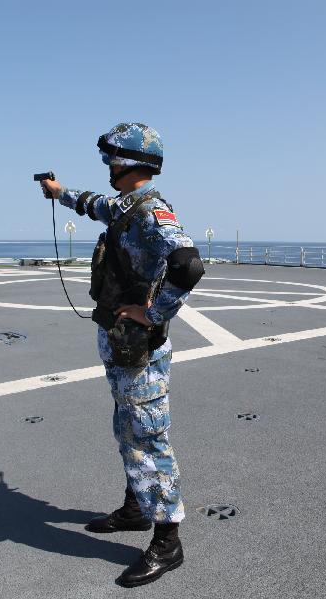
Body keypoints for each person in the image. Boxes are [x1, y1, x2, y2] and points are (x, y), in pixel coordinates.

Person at [40, 123, 204, 587]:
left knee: (148, 437)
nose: (109, 167)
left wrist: (154, 313)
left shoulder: (153, 214)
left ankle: (167, 541)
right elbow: (95, 204)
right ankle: (136, 507)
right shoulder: (125, 206)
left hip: (139, 344)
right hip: (118, 340)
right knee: (126, 425)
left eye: (113, 160)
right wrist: (59, 192)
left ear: (131, 163)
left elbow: (188, 265)